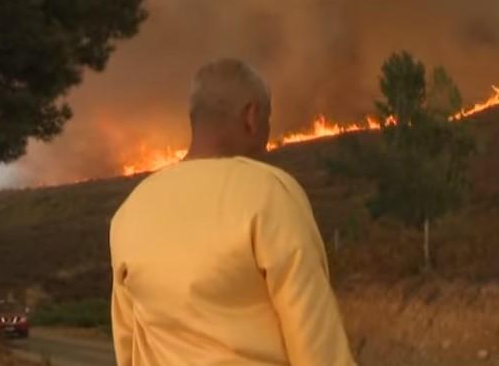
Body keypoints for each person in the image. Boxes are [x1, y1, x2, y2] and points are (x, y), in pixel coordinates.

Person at [109, 59, 356, 365]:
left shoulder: (130, 212)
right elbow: (315, 340)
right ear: (251, 117)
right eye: (268, 118)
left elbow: (127, 345)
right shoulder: (269, 194)